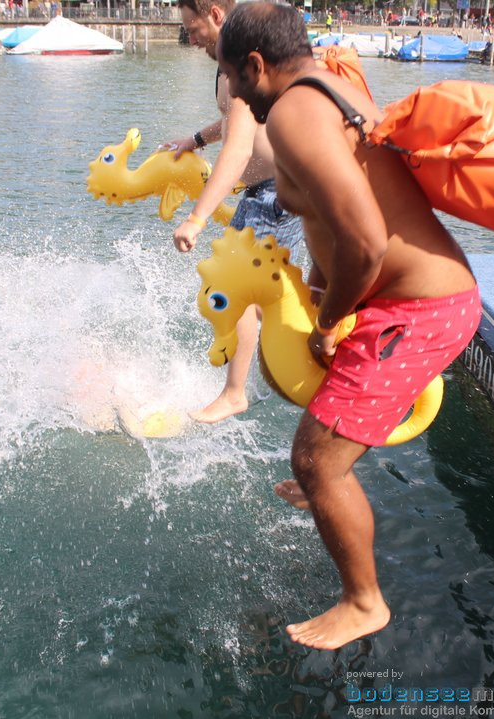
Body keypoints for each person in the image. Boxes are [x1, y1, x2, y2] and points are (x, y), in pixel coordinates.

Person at [217, 1, 480, 649]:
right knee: (322, 451)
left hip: (418, 310)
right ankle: (329, 485)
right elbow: (331, 223)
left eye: (230, 76)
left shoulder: (294, 112)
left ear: (255, 64)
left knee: (314, 458)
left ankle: (364, 602)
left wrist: (329, 321)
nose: (230, 94)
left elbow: (363, 238)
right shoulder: (328, 87)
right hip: (403, 303)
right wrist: (315, 289)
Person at [161, 0, 305, 424]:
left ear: (217, 15)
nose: (190, 37)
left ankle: (235, 392)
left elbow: (240, 148)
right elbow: (233, 121)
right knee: (259, 296)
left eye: (192, 26)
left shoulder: (244, 61)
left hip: (274, 195)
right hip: (269, 192)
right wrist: (194, 139)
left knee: (235, 286)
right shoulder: (230, 66)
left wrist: (197, 217)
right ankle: (297, 353)